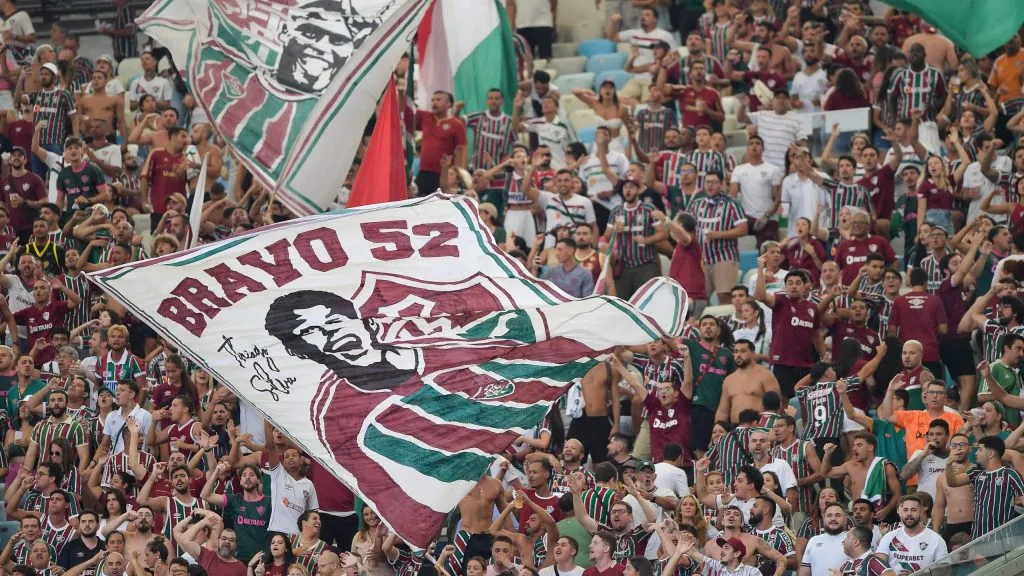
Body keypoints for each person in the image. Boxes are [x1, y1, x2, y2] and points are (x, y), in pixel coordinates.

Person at [757, 267, 825, 405]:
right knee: (783, 402)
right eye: (790, 283)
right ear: (786, 286)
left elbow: (816, 334)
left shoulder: (812, 307)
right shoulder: (780, 301)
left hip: (806, 363)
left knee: (807, 403)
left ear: (805, 287)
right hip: (783, 362)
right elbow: (760, 296)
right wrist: (760, 268)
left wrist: (824, 357)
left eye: (798, 283)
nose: (794, 286)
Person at [876, 495, 947, 573]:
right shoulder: (889, 537)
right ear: (898, 511)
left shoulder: (936, 539)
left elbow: (945, 571)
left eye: (913, 510)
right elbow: (877, 564)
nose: (909, 513)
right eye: (905, 510)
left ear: (921, 511)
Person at [172, 509, 247, 576]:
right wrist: (197, 519)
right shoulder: (205, 554)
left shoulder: (241, 568)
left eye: (231, 540)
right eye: (224, 538)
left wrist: (202, 512)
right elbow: (179, 533)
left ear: (236, 545)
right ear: (218, 541)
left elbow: (218, 521)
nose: (227, 541)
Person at [798, 503, 849, 576]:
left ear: (845, 519)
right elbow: (804, 573)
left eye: (838, 515)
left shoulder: (853, 540)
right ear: (823, 519)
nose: (833, 519)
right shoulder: (814, 540)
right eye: (829, 515)